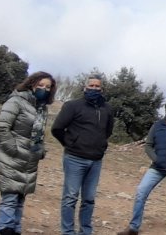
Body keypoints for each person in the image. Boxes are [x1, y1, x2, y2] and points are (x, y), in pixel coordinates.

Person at [118, 98, 166, 235]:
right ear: (165, 108)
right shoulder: (157, 125)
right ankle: (133, 228)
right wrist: (156, 159)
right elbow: (148, 145)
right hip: (157, 167)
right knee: (141, 192)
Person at [0, 71, 56, 235]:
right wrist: (13, 149)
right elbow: (2, 128)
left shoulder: (41, 109)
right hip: (12, 158)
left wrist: (40, 151)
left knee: (20, 198)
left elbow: (39, 135)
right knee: (10, 198)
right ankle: (5, 229)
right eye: (40, 85)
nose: (44, 89)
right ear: (31, 84)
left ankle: (15, 230)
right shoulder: (16, 101)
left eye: (48, 87)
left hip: (29, 161)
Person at [51, 74, 114, 235]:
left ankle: (85, 231)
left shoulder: (107, 108)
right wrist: (70, 144)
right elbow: (57, 128)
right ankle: (68, 231)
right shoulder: (72, 106)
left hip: (96, 161)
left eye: (97, 86)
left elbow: (107, 131)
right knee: (70, 197)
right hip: (74, 158)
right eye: (91, 86)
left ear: (101, 89)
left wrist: (100, 145)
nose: (94, 88)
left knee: (89, 199)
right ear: (85, 87)